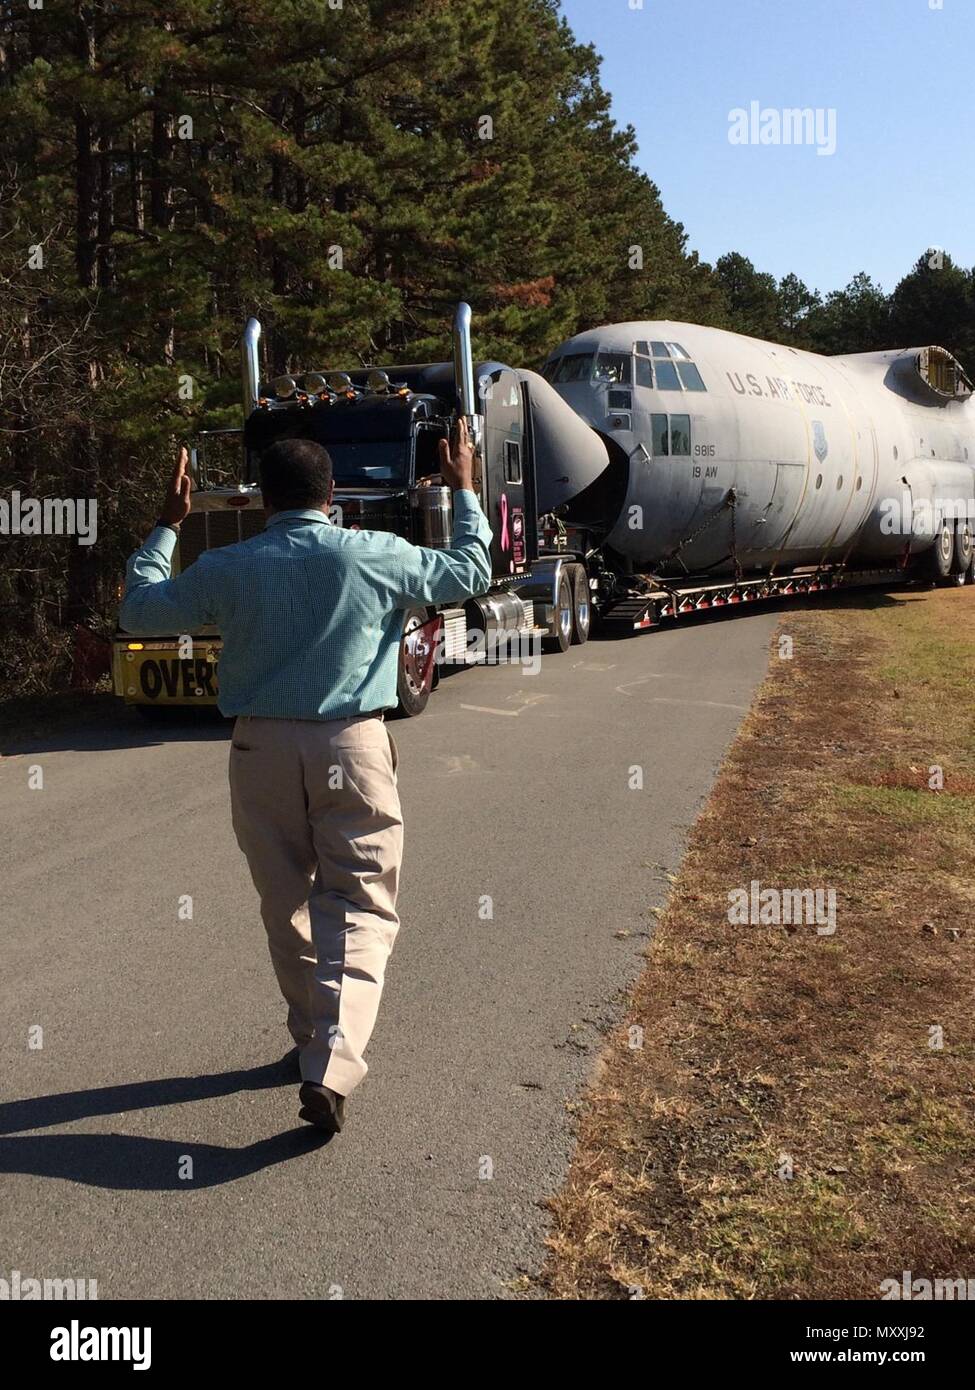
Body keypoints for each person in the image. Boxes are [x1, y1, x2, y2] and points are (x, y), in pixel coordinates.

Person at [120, 419, 492, 1134]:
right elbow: (471, 572)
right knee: (357, 904)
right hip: (351, 745)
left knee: (284, 901)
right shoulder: (377, 554)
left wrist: (167, 526)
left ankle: (307, 1041)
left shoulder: (230, 566)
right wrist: (464, 488)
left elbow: (138, 608)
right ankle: (331, 1060)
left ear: (263, 499)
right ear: (332, 496)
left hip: (257, 750)